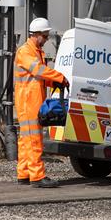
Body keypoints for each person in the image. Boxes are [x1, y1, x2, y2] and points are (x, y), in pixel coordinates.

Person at [14, 17, 68, 188]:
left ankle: (24, 173)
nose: (46, 39)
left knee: (25, 140)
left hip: (29, 99)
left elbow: (39, 77)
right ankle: (37, 176)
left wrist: (54, 82)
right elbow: (38, 70)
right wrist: (59, 77)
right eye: (44, 36)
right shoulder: (25, 51)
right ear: (36, 35)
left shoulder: (35, 51)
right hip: (29, 101)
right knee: (34, 139)